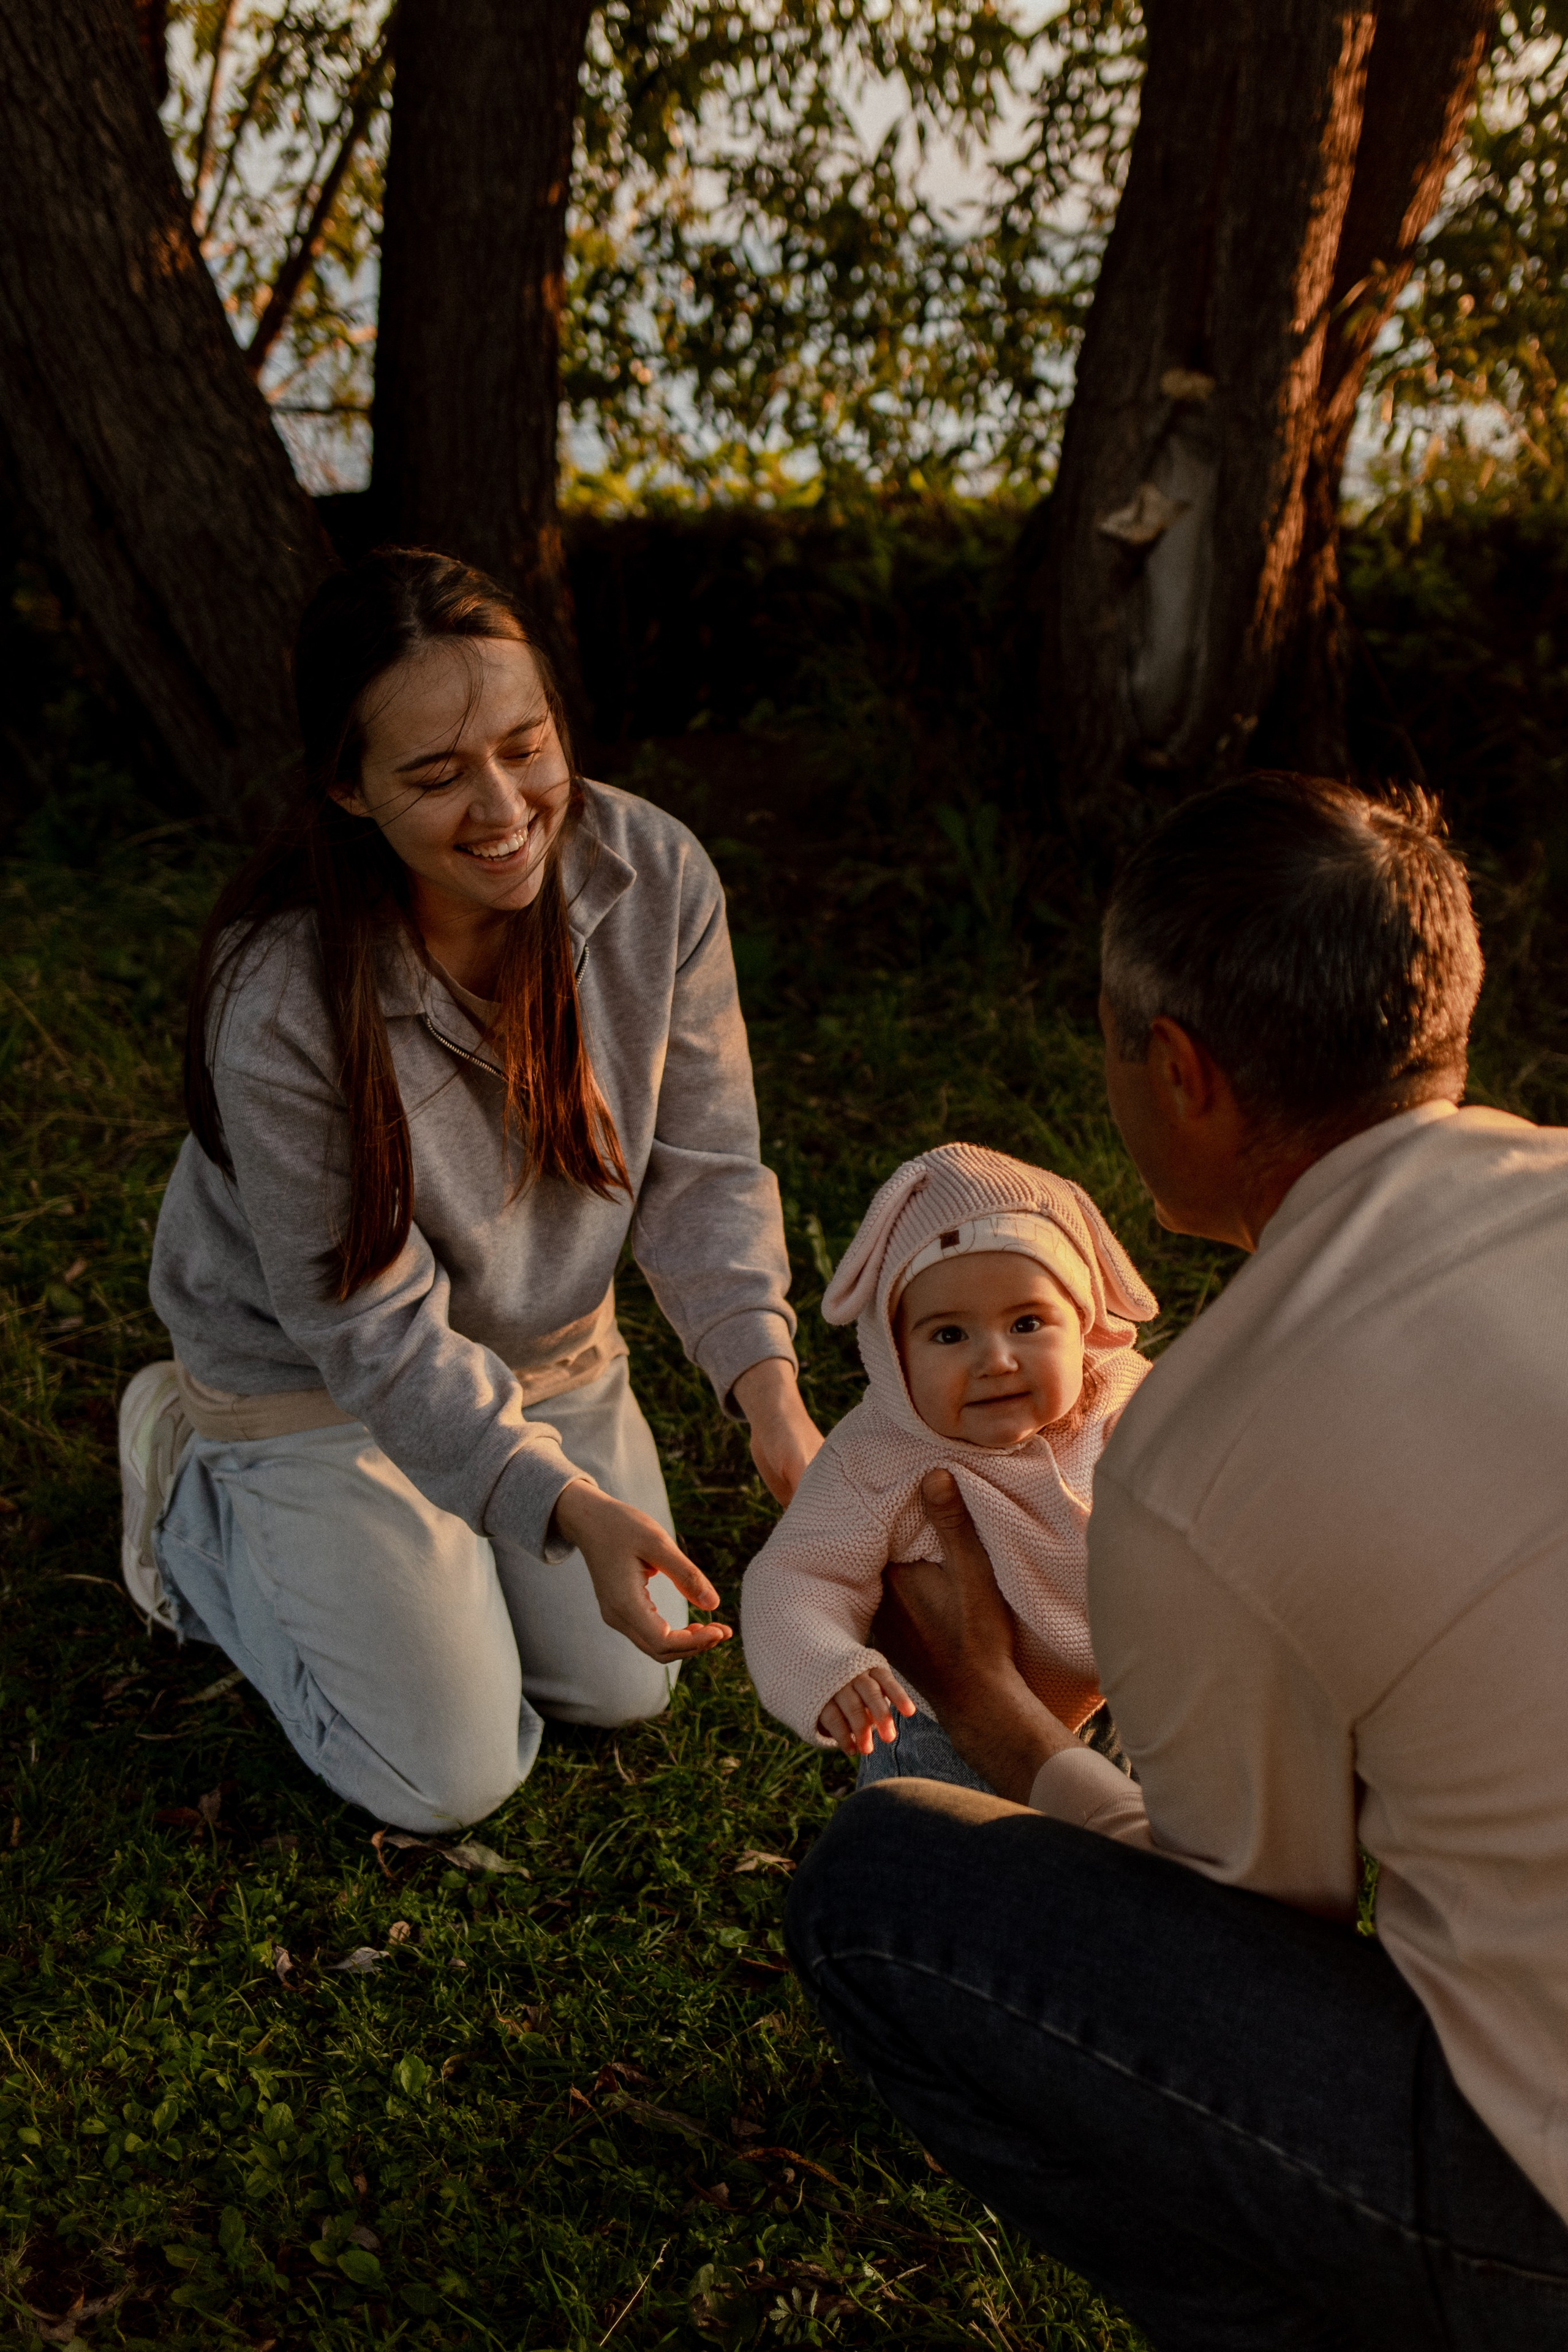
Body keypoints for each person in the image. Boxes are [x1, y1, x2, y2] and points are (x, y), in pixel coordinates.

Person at [785, 774, 1568, 2348]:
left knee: (875, 1894)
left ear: (1179, 1070)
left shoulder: (1202, 1446)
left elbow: (1249, 1919)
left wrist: (1003, 1726)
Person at [118, 546, 822, 1833]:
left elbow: (703, 1169)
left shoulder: (652, 875)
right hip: (313, 1378)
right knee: (450, 1777)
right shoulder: (279, 1000)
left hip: (547, 1349)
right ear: (347, 788)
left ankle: (457, 1532)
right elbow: (368, 1332)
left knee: (624, 1689)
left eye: (525, 746)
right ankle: (196, 1501)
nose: (502, 807)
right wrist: (562, 1501)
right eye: (436, 776)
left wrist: (772, 1408)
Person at [741, 1143, 1155, 1776]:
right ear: (895, 1353)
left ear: (1081, 1320)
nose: (995, 1360)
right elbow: (796, 1577)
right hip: (941, 1722)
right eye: (949, 1335)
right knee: (959, 1845)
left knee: (1120, 1837)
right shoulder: (875, 1460)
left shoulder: (1124, 1397)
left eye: (1027, 1323)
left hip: (1122, 1694)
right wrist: (826, 1665)